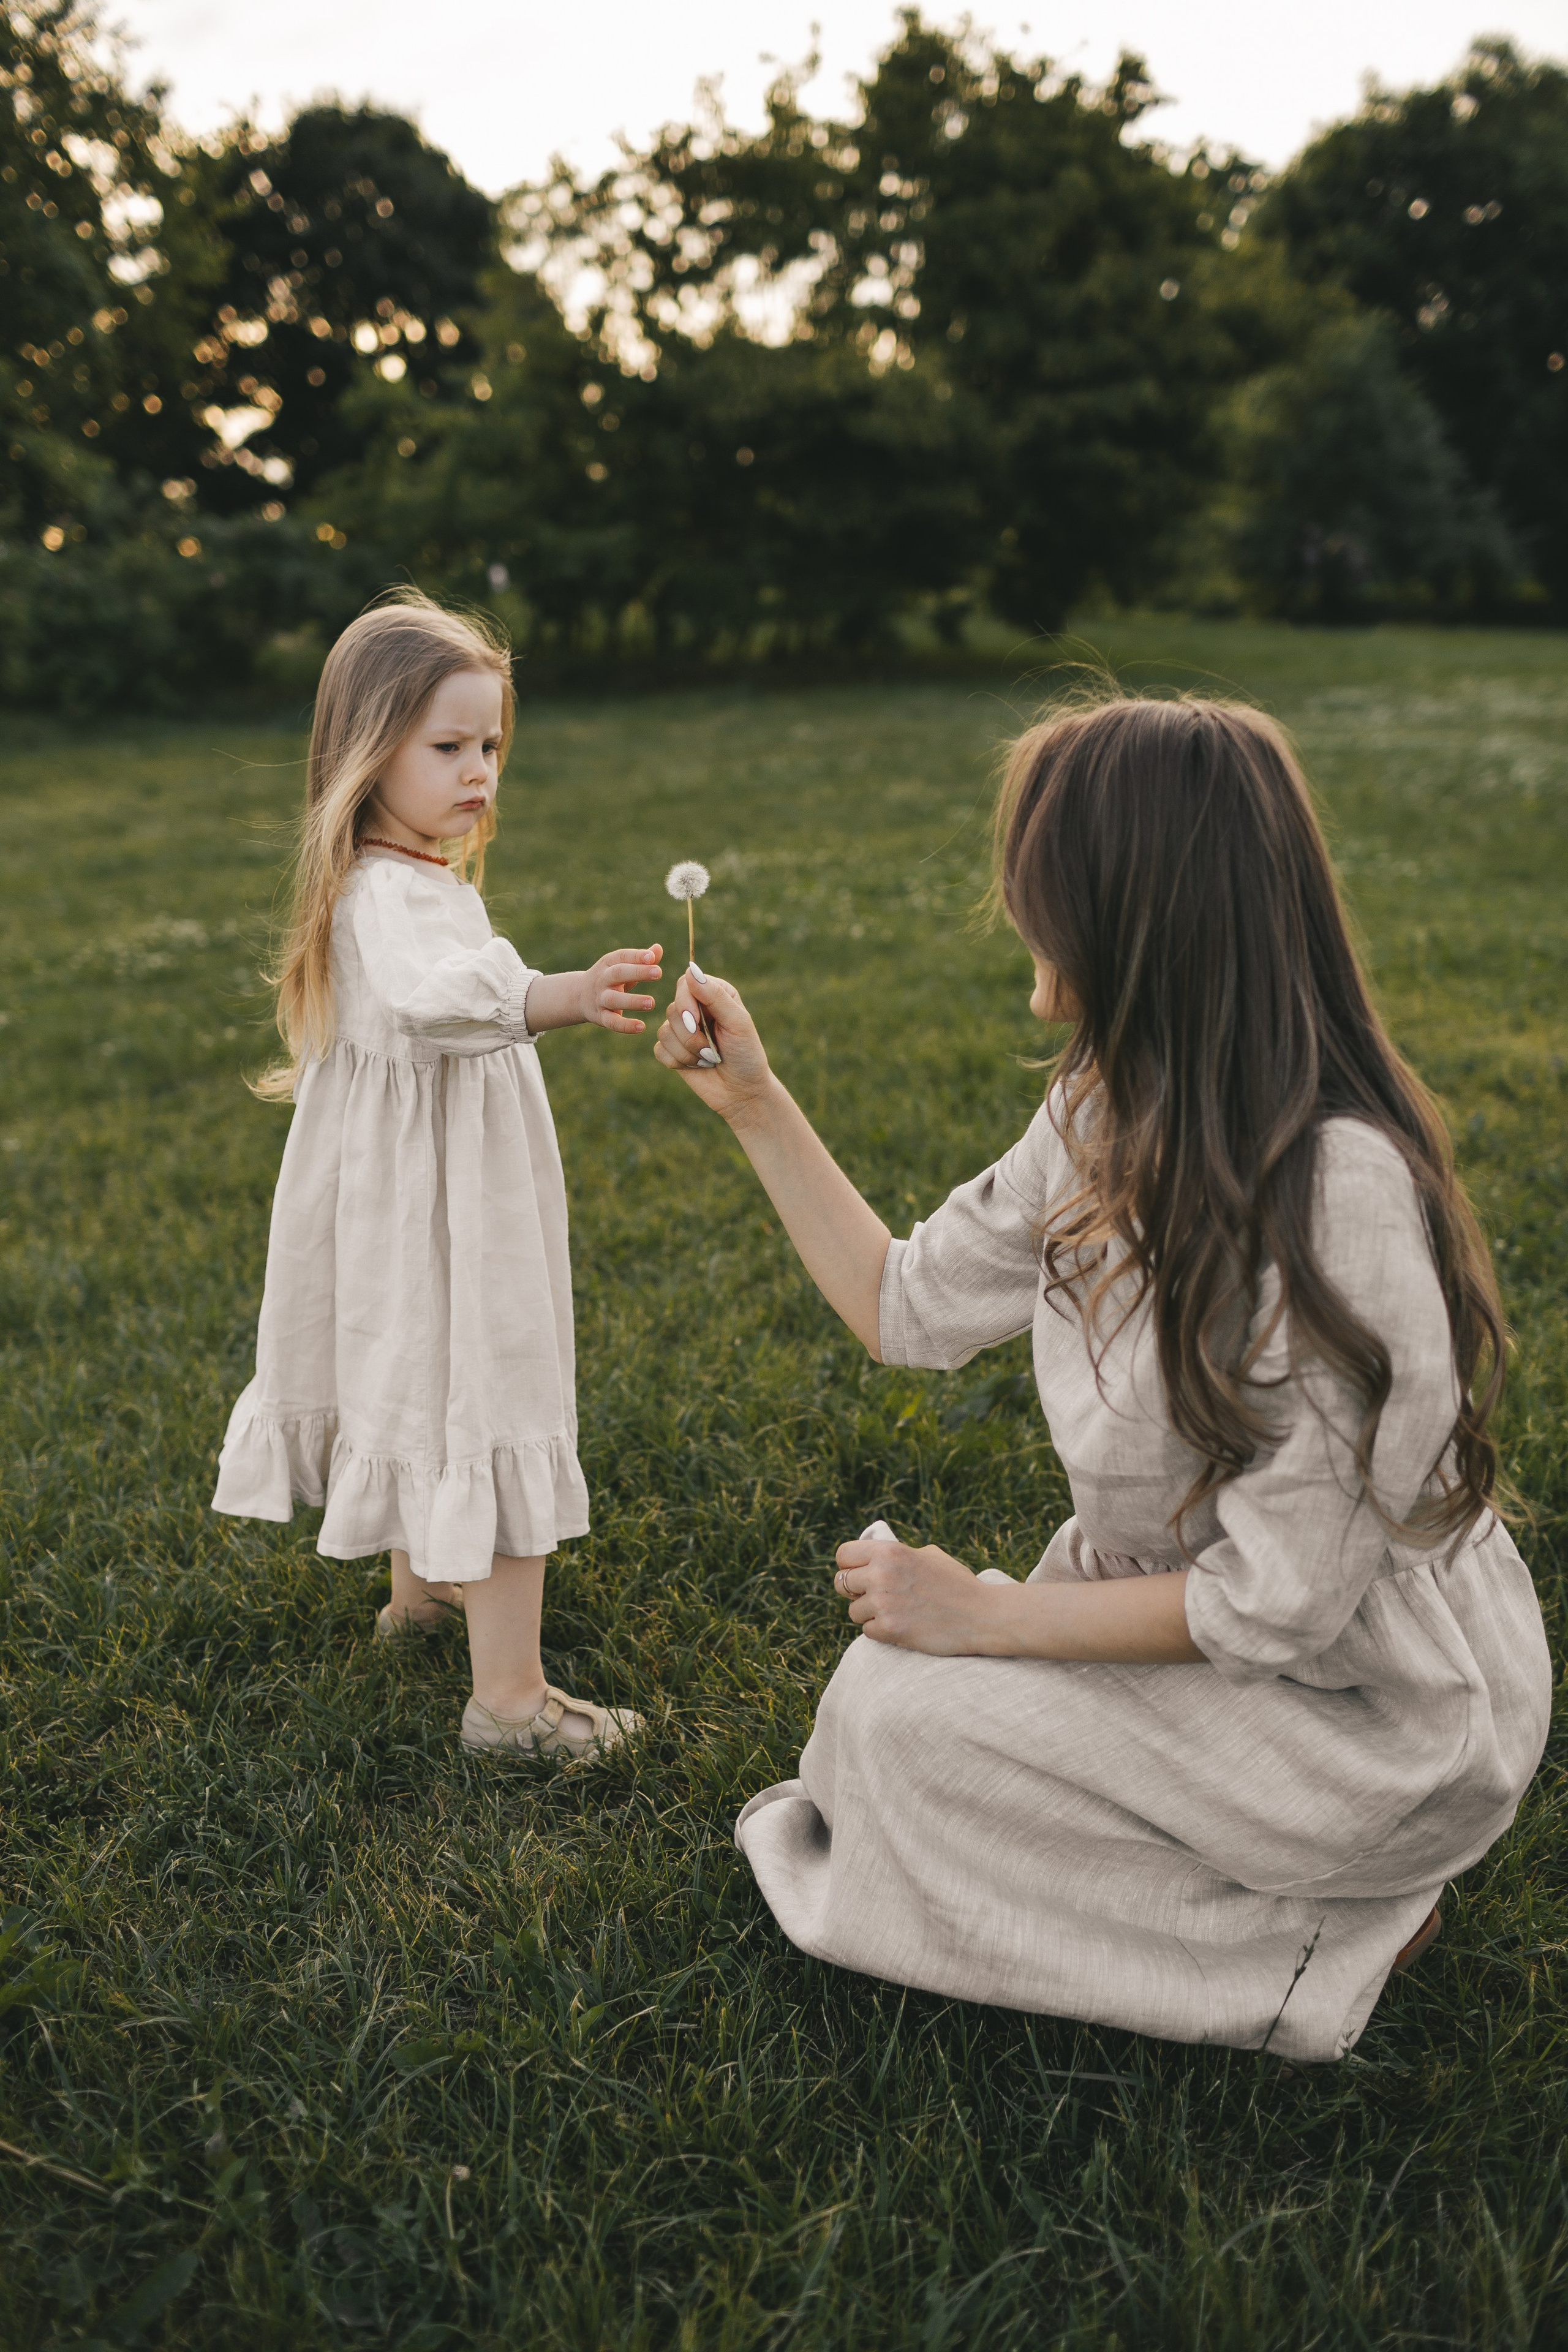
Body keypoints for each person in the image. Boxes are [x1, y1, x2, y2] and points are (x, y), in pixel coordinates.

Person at [653, 695, 1550, 2062]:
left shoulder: (1333, 1195)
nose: (1011, 900)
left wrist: (985, 1620)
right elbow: (906, 1305)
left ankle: (1319, 1942)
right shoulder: (1101, 1103)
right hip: (1199, 1630)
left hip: (1367, 1720)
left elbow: (1278, 1604)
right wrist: (756, 1106)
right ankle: (1258, 1897)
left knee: (903, 1729)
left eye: (1035, 873)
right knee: (876, 1725)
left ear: (1127, 909)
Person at [214, 592, 658, 1758]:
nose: (479, 773)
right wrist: (554, 996)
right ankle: (510, 1705)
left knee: (418, 1368)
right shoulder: (389, 897)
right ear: (371, 755)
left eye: (491, 746)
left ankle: (417, 1596)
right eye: (448, 747)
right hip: (452, 1208)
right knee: (492, 1382)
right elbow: (432, 1002)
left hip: (408, 1208)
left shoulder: (400, 879)